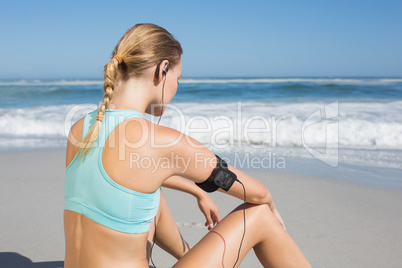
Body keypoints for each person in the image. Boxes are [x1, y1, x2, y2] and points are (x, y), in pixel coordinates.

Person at [64, 23, 311, 268]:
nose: (175, 90)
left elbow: (128, 177)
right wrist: (272, 207)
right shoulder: (159, 140)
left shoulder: (82, 128)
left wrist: (197, 191)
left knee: (150, 192)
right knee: (259, 215)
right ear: (162, 70)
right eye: (178, 80)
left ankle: (187, 256)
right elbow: (257, 192)